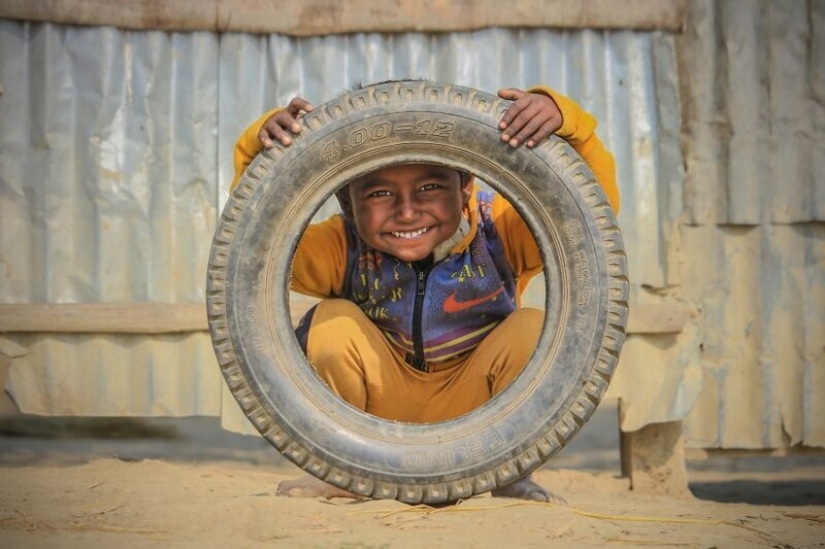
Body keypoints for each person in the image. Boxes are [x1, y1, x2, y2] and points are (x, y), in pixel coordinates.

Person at [231, 82, 620, 503]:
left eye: (430, 188)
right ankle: (338, 473)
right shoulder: (340, 247)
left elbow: (589, 212)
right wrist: (263, 148)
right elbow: (258, 236)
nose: (408, 211)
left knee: (531, 328)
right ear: (345, 199)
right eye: (379, 193)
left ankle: (512, 474)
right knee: (332, 321)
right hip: (368, 421)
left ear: (466, 184)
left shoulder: (500, 231)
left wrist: (569, 123)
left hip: (479, 417)